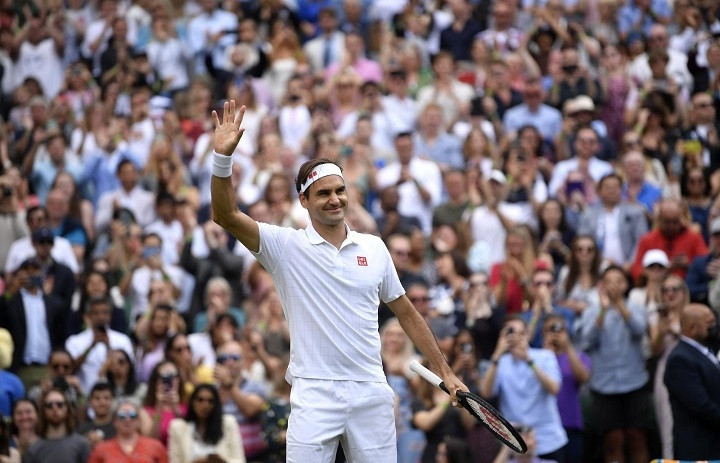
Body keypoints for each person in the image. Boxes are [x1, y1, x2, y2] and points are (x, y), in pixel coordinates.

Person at [210, 100, 466, 461]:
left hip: (371, 391)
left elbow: (407, 314)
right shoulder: (285, 246)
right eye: (324, 193)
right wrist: (222, 159)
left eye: (340, 190)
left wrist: (446, 372)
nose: (335, 199)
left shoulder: (375, 248)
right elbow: (225, 215)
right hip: (314, 394)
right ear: (303, 200)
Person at [579, 266, 650, 463]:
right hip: (604, 385)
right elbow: (587, 339)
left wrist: (619, 303)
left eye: (618, 281)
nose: (613, 286)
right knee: (613, 440)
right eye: (608, 281)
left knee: (637, 437)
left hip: (634, 382)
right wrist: (603, 310)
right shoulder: (592, 311)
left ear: (626, 284)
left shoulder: (636, 308)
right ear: (601, 285)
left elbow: (639, 330)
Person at [480, 316, 568, 462]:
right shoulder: (500, 363)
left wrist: (528, 360)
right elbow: (486, 393)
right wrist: (496, 354)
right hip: (517, 444)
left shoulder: (544, 356)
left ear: (527, 335)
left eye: (520, 333)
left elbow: (554, 388)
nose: (515, 337)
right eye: (510, 333)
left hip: (549, 439)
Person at [663, 303, 720, 460]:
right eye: (709, 324)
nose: (715, 327)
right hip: (699, 449)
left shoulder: (706, 350)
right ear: (692, 328)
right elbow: (701, 406)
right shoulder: (680, 359)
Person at [168, 384, 246, 463]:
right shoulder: (177, 427)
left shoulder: (228, 423)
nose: (205, 405)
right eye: (200, 400)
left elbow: (239, 460)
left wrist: (221, 461)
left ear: (216, 404)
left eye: (210, 401)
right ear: (192, 402)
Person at [88, 399, 168, 463]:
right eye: (122, 416)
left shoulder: (155, 446)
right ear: (115, 421)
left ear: (138, 421)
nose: (127, 419)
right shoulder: (101, 449)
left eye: (132, 415)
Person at [23, 388, 90, 463]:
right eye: (49, 405)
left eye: (60, 404)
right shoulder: (34, 449)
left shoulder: (81, 444)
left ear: (67, 408)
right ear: (43, 411)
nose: (55, 408)